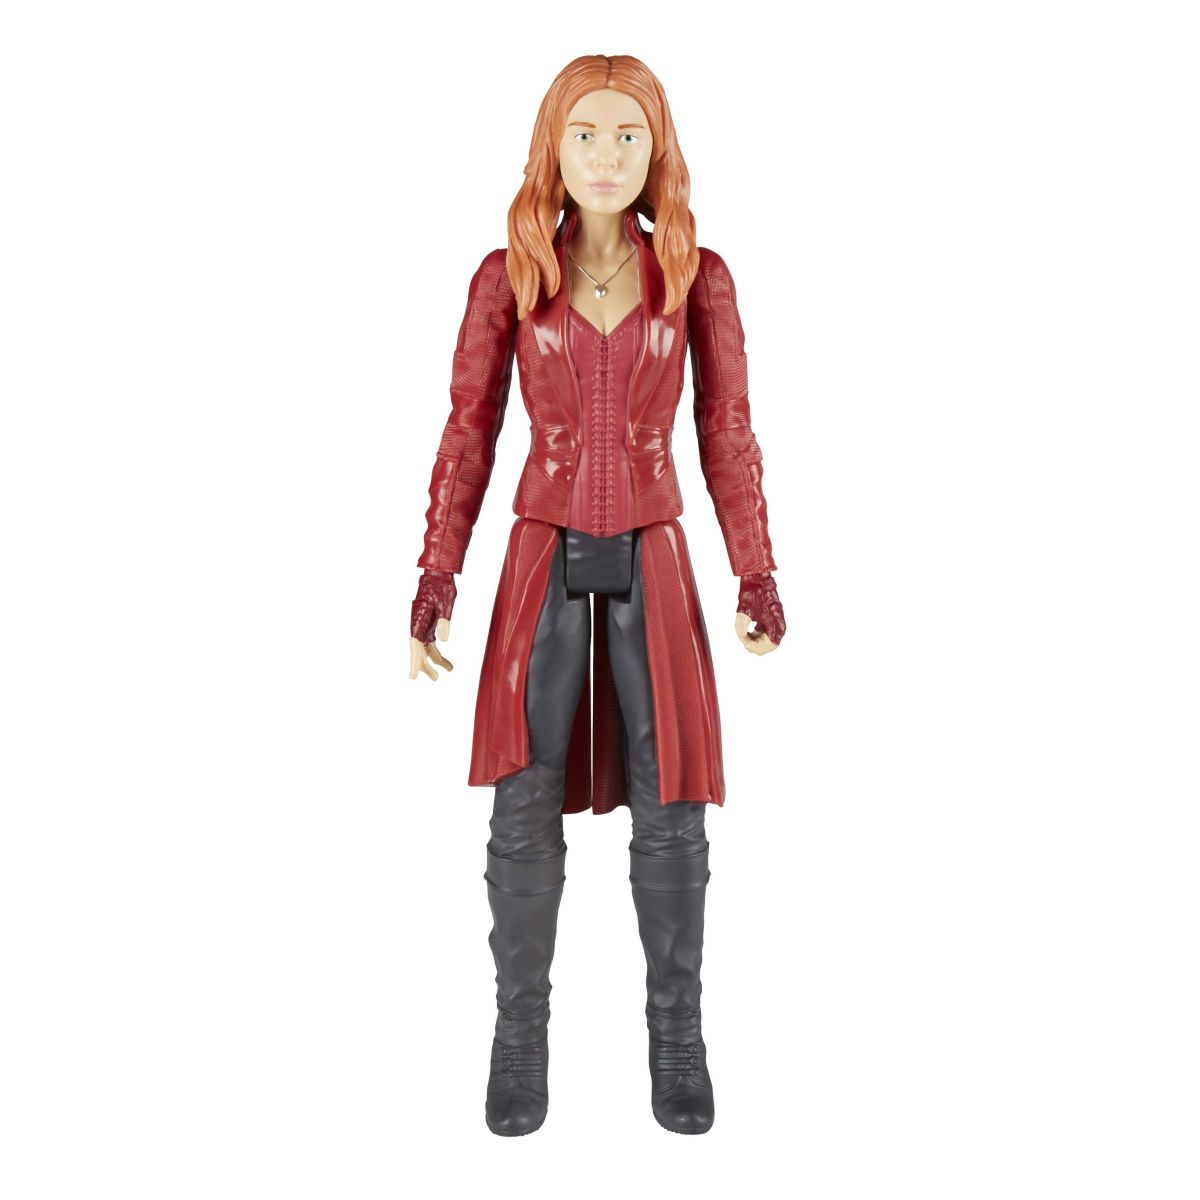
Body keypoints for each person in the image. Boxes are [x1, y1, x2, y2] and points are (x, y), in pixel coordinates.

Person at [408, 54, 786, 1137]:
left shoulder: (696, 276)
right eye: (586, 134)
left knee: (673, 807)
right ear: (554, 148)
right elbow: (469, 429)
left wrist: (755, 569)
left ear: (656, 147)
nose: (608, 156)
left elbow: (726, 430)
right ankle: (518, 1036)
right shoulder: (511, 276)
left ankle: (678, 1038)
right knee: (522, 802)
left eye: (628, 134)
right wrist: (437, 571)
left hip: (655, 553)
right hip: (541, 550)